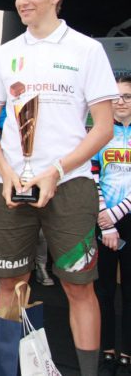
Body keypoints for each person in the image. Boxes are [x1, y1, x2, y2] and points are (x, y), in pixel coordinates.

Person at [0, 0, 118, 376]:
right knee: (9, 283)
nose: (23, 1)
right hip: (10, 185)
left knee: (79, 287)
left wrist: (56, 171)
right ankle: (8, 369)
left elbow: (103, 128)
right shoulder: (4, 54)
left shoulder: (87, 50)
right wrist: (7, 174)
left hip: (70, 184)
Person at [92, 75, 131, 375]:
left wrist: (116, 214)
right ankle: (106, 352)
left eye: (127, 96)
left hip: (125, 217)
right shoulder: (100, 133)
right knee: (103, 291)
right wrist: (105, 221)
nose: (120, 102)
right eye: (115, 96)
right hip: (103, 221)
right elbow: (92, 176)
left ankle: (127, 353)